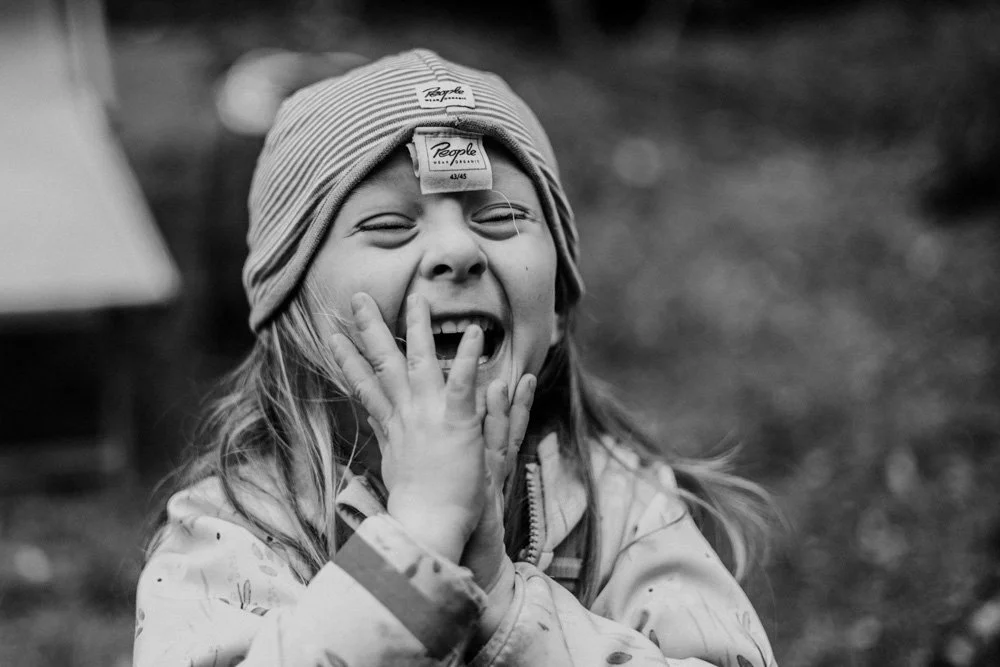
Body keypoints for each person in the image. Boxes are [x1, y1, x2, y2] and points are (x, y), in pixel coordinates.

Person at [134, 48, 777, 667]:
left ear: (554, 309)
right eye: (389, 225)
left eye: (499, 217)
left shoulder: (628, 509)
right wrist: (411, 546)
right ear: (293, 315)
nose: (458, 250)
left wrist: (506, 601)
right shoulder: (232, 534)